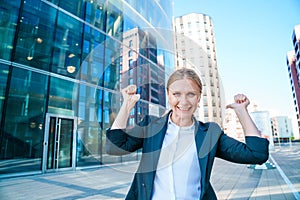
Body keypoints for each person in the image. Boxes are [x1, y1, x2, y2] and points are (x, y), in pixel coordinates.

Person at [106, 68, 269, 200]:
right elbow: (115, 147)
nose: (183, 102)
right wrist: (127, 105)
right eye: (176, 94)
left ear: (198, 97)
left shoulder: (209, 134)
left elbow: (256, 154)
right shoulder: (151, 127)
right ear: (168, 94)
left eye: (191, 94)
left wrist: (242, 111)